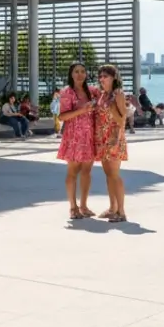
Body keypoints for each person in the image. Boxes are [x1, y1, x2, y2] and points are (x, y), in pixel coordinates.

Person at [57, 63, 98, 220]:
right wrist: (83, 110)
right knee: (73, 172)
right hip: (73, 136)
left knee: (87, 172)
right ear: (71, 74)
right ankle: (73, 207)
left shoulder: (92, 91)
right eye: (76, 72)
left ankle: (84, 205)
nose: (80, 74)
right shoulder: (67, 92)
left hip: (89, 137)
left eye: (82, 71)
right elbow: (62, 116)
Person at [95, 63, 129, 222]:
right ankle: (112, 208)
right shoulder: (102, 94)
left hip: (114, 137)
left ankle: (121, 211)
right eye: (100, 76)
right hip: (102, 137)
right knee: (108, 174)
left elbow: (123, 120)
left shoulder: (118, 94)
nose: (102, 79)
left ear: (113, 77)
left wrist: (115, 139)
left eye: (105, 76)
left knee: (114, 175)